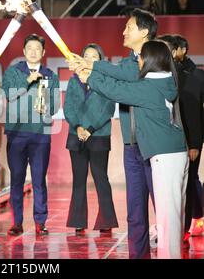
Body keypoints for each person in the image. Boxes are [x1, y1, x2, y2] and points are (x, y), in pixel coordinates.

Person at [78, 40, 189, 259]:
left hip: (164, 157)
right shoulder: (165, 79)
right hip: (175, 153)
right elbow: (123, 83)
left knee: (167, 220)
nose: (137, 60)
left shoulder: (149, 87)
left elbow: (118, 90)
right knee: (174, 216)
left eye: (140, 57)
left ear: (150, 60)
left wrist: (90, 77)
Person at [68, 8, 157, 259]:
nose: (123, 31)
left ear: (144, 31)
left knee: (161, 204)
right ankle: (138, 255)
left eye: (128, 27)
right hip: (132, 143)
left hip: (154, 141)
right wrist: (88, 69)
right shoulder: (128, 60)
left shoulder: (157, 56)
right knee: (135, 208)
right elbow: (118, 78)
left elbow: (122, 81)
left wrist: (91, 69)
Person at [2, 34, 60, 235]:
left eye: (38, 48)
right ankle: (17, 223)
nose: (34, 52)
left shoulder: (51, 75)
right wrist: (28, 80)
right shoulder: (13, 71)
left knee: (39, 179)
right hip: (17, 133)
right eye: (30, 48)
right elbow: (8, 93)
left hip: (40, 134)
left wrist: (47, 106)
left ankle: (40, 222)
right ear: (24, 51)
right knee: (17, 178)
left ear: (43, 53)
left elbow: (55, 105)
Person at [64, 44, 118, 233]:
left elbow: (108, 109)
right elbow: (68, 106)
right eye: (86, 55)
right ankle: (78, 221)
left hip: (99, 135)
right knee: (79, 179)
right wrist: (77, 126)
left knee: (100, 178)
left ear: (100, 61)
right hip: (76, 134)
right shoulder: (73, 81)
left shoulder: (105, 80)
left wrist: (90, 129)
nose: (88, 58)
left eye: (93, 56)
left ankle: (106, 221)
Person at [161, 35, 204, 239]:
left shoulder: (195, 76)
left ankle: (186, 227)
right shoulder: (163, 75)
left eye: (170, 50)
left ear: (181, 50)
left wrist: (194, 143)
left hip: (189, 139)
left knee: (188, 182)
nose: (167, 54)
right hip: (167, 139)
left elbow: (195, 113)